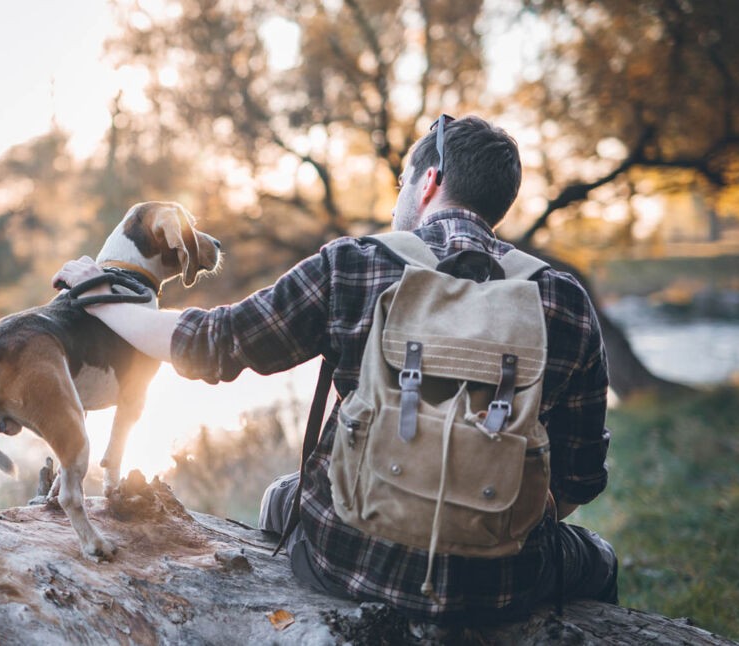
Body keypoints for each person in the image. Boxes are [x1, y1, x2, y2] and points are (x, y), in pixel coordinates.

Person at [51, 115, 617, 623]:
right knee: (599, 557)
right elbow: (579, 481)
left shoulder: (353, 264)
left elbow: (210, 345)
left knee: (282, 497)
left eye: (403, 185)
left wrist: (98, 295)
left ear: (430, 182)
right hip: (503, 582)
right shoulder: (562, 299)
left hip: (344, 557)